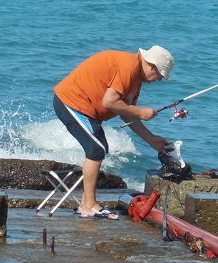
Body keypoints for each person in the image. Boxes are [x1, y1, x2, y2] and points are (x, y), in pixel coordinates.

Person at [53, 45, 174, 219]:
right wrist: (140, 111)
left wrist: (150, 139)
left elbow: (125, 112)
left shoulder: (135, 78)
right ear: (152, 66)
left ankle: (87, 205)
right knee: (97, 149)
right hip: (71, 102)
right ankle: (88, 206)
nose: (159, 80)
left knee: (98, 148)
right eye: (160, 75)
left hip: (86, 109)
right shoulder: (128, 67)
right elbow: (109, 102)